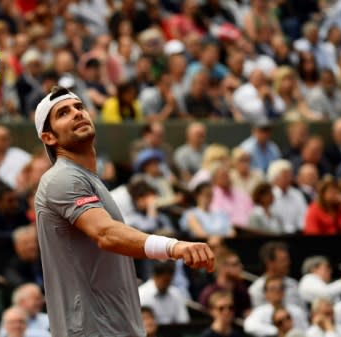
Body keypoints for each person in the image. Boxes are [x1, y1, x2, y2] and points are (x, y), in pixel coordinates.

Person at [34, 86, 214, 336]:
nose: (77, 113)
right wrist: (173, 247)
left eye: (79, 107)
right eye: (63, 113)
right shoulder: (61, 178)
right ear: (49, 138)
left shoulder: (90, 180)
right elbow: (106, 234)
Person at [244, 276, 308, 337]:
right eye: (273, 289)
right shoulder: (259, 312)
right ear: (266, 293)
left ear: (284, 292)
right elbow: (249, 326)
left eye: (280, 288)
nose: (277, 291)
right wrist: (278, 331)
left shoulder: (296, 311)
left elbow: (306, 330)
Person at [248, 242, 303, 309]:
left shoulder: (294, 284)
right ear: (269, 263)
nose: (288, 263)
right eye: (283, 260)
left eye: (288, 259)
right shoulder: (256, 290)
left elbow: (304, 312)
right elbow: (259, 315)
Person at [200, 250, 251, 319]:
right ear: (222, 268)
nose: (241, 266)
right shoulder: (208, 293)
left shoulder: (242, 291)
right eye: (235, 264)